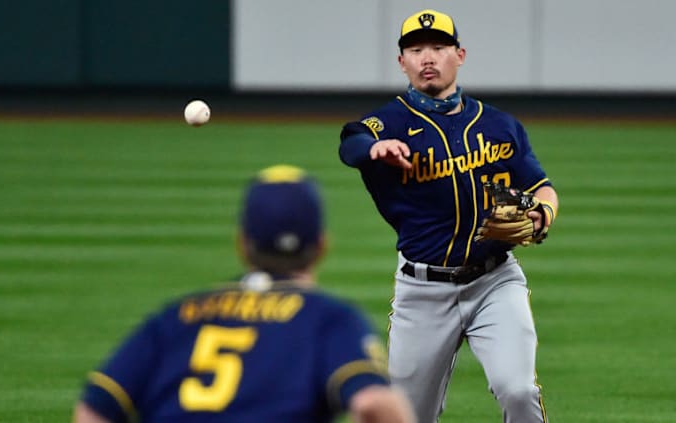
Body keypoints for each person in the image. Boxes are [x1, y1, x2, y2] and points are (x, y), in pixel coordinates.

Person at [338, 8, 558, 423]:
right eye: (415, 49)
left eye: (438, 47)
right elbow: (352, 140)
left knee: (518, 390)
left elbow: (540, 187)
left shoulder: (499, 125)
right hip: (422, 294)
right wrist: (374, 149)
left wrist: (545, 212)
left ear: (460, 55)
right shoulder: (389, 123)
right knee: (406, 415)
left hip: (495, 281)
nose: (427, 58)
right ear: (401, 62)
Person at [73, 164, 416, 423]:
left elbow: (94, 407)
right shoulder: (328, 319)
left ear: (242, 244)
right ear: (322, 246)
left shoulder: (178, 315)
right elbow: (373, 404)